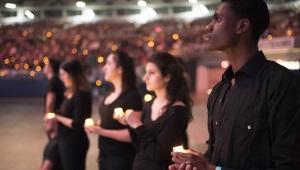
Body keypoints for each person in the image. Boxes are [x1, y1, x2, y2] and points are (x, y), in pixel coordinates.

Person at [170, 0, 300, 170]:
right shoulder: (219, 91)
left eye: (217, 20)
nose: (207, 28)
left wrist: (212, 169)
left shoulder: (281, 85)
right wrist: (197, 161)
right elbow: (217, 154)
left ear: (242, 26)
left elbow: (289, 165)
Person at [116, 52, 192, 170]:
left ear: (167, 76)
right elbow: (140, 145)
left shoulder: (177, 111)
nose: (145, 77)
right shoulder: (149, 104)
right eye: (146, 72)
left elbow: (159, 155)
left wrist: (137, 124)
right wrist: (130, 124)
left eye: (151, 73)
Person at [85, 51, 143, 170]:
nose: (104, 67)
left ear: (120, 69)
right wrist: (96, 125)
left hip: (122, 158)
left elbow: (132, 134)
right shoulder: (109, 94)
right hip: (105, 155)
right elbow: (106, 120)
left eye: (109, 63)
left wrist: (101, 131)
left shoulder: (132, 96)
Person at [54, 59, 92, 170]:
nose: (61, 78)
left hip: (74, 143)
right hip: (65, 140)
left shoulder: (81, 94)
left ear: (72, 74)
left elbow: (78, 124)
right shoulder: (69, 93)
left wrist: (57, 117)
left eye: (63, 74)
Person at [40, 59, 64, 170]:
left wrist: (48, 122)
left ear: (50, 67)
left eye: (46, 65)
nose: (44, 67)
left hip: (55, 122)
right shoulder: (58, 80)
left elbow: (50, 103)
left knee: (52, 151)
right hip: (59, 121)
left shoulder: (52, 82)